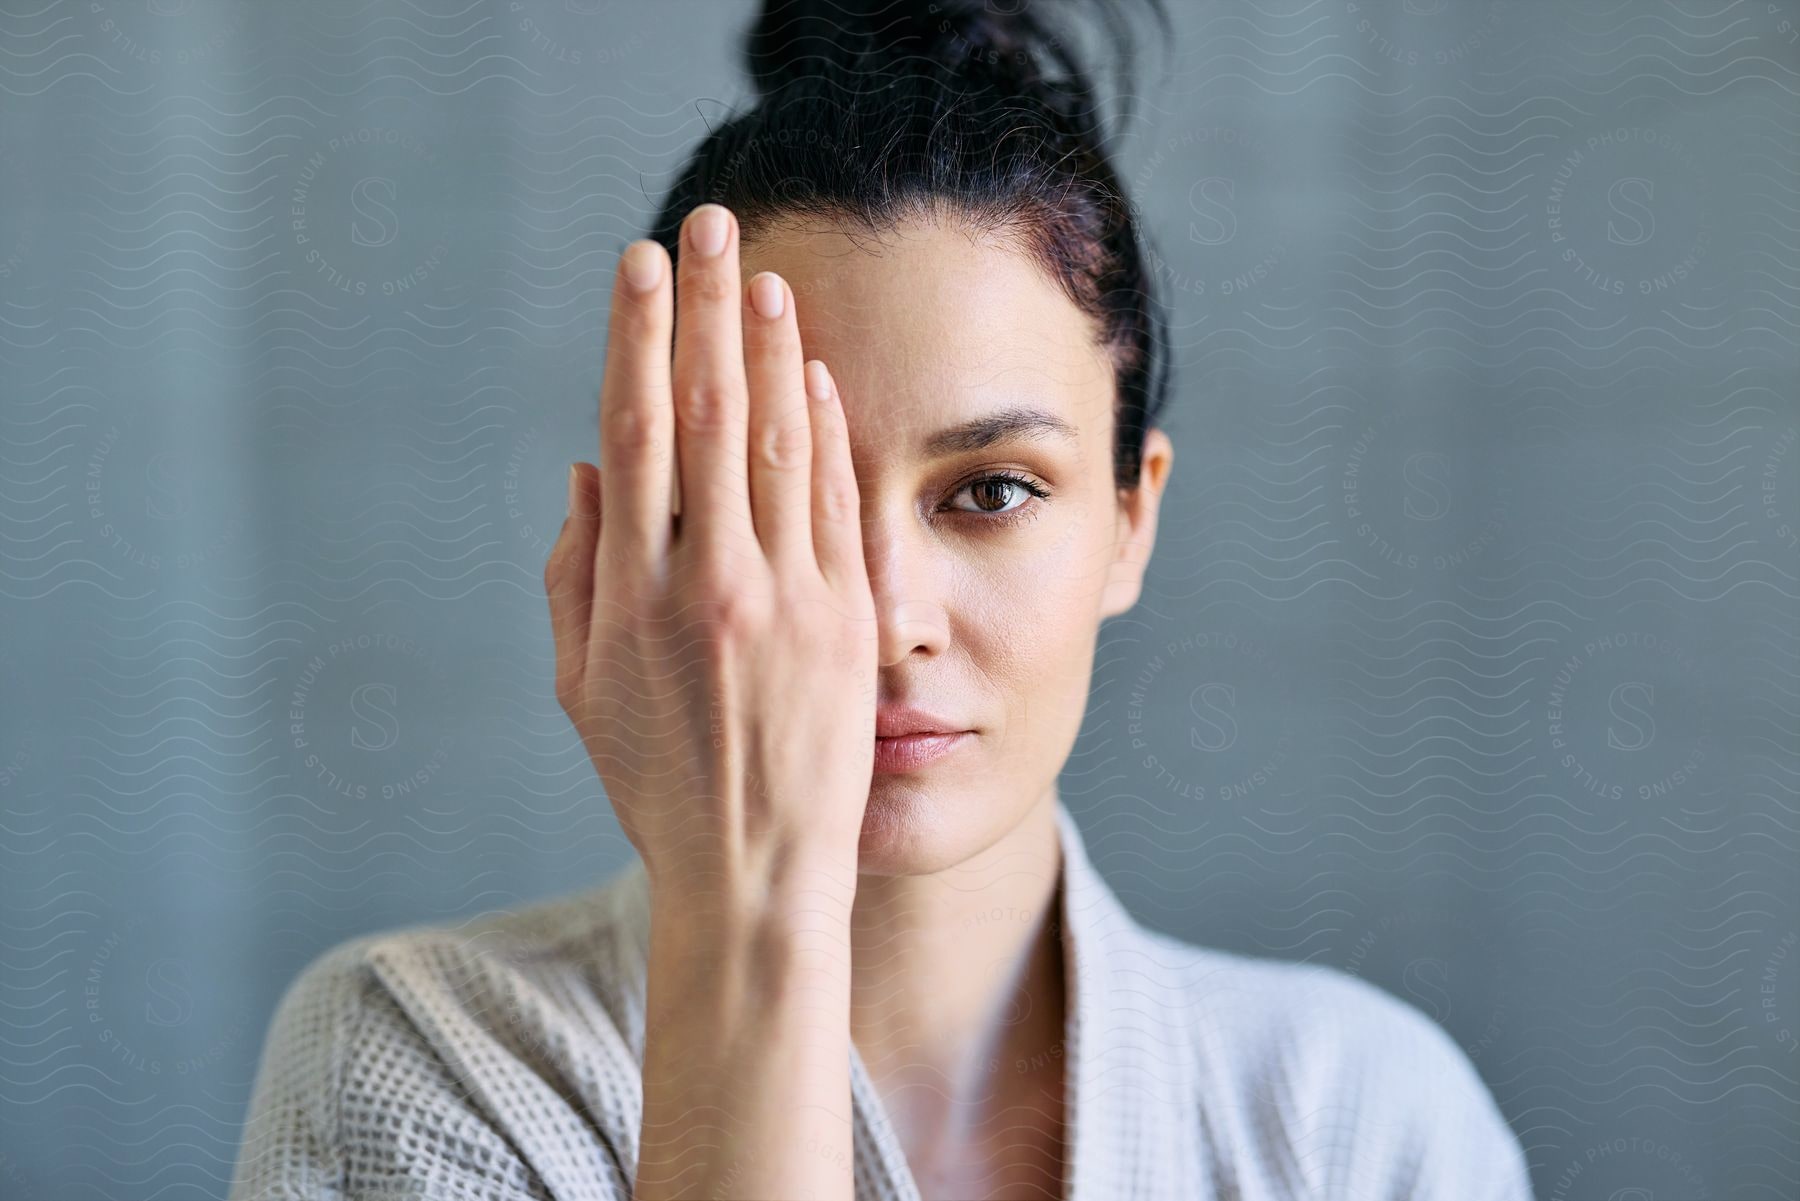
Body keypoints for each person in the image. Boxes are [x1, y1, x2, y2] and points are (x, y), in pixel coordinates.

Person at [228, 1, 1535, 1198]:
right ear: (645, 533)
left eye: (994, 490)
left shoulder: (1365, 1122)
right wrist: (746, 914)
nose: (885, 615)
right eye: (783, 499)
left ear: (1132, 517)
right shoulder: (414, 1064)